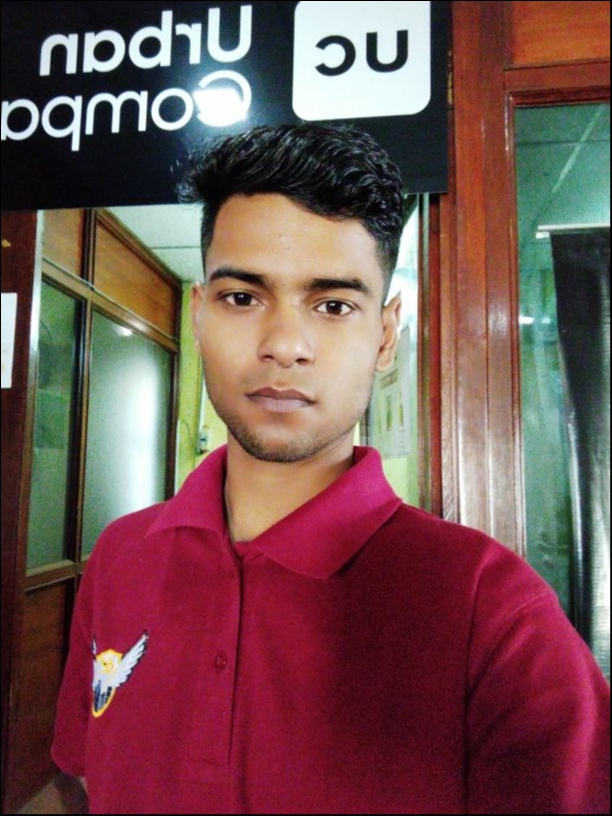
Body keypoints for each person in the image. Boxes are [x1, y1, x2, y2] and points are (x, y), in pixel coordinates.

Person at [51, 124, 610, 815]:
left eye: (334, 305)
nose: (285, 344)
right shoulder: (119, 557)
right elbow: (83, 775)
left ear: (385, 335)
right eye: (242, 297)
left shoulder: (493, 613)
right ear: (198, 314)